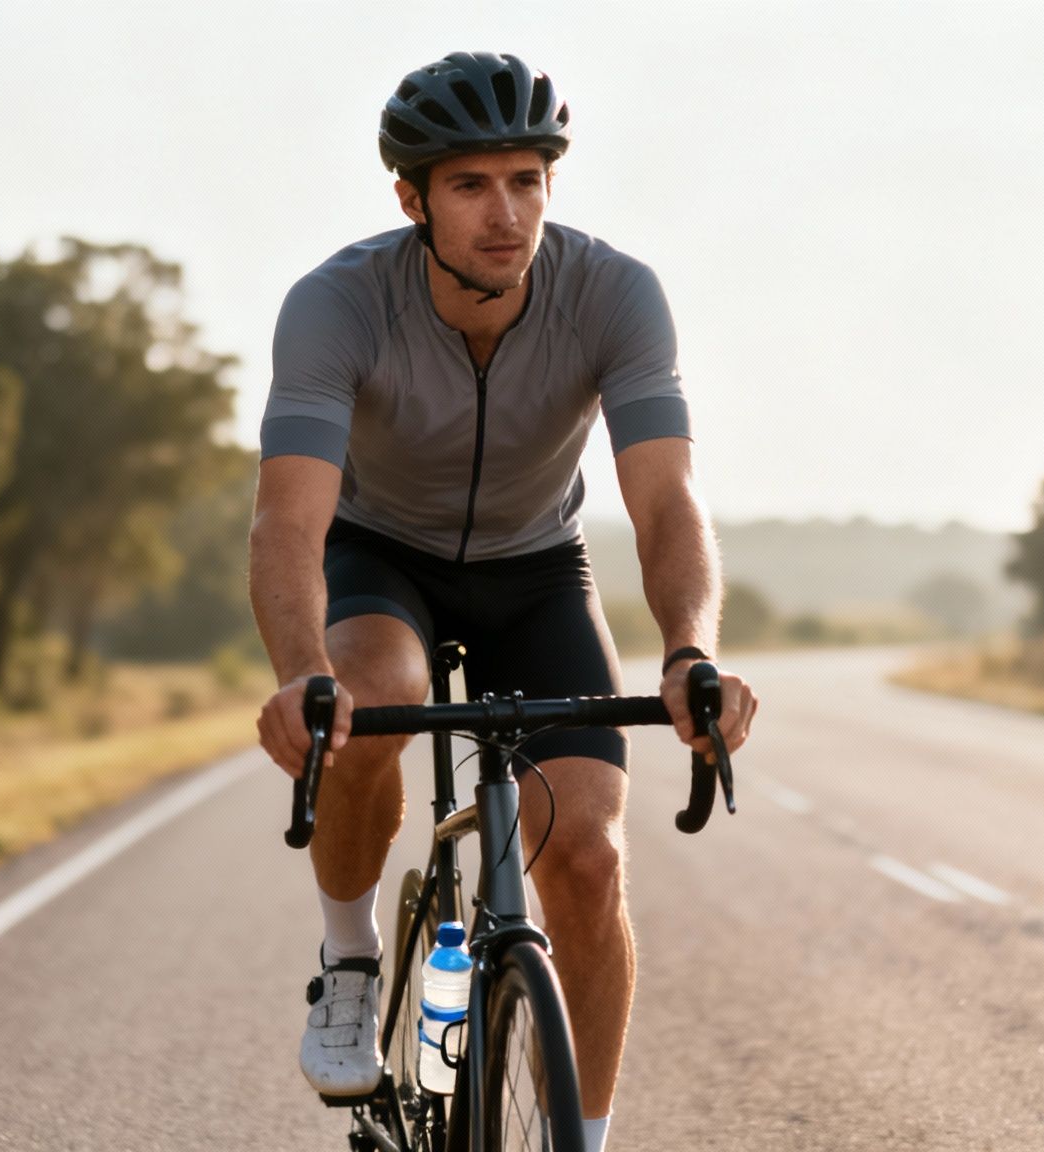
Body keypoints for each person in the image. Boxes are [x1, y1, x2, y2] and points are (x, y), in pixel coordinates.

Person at [249, 51, 756, 1152]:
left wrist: (688, 652)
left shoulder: (613, 293)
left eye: (526, 180)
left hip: (536, 568)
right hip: (382, 558)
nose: (504, 212)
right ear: (410, 199)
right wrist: (302, 676)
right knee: (368, 697)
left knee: (586, 859)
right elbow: (287, 522)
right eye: (471, 184)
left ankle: (587, 1136)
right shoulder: (336, 305)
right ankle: (347, 957)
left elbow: (664, 499)